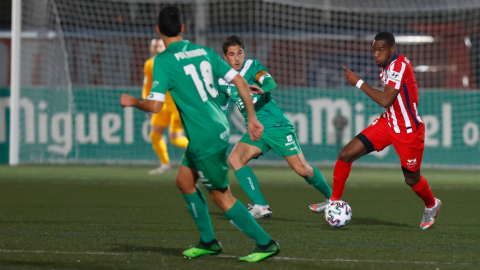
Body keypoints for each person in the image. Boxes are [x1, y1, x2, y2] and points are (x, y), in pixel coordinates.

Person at [120, 7, 279, 262]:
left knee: (221, 196)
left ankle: (266, 243)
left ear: (158, 30)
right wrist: (251, 118)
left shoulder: (163, 61)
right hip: (214, 128)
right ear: (183, 28)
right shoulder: (203, 51)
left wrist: (132, 101)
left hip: (205, 136)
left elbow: (155, 106)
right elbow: (239, 81)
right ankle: (208, 241)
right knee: (184, 181)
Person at [318, 32, 441, 230]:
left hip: (408, 131)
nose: (376, 54)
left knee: (411, 179)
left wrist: (358, 82)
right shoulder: (386, 65)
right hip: (388, 124)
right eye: (374, 50)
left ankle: (431, 204)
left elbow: (385, 100)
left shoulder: (399, 65)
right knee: (346, 154)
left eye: (381, 50)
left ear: (392, 49)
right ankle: (334, 202)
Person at [217, 35, 332, 219]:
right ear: (225, 57)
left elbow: (271, 82)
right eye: (232, 54)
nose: (237, 58)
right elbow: (220, 108)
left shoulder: (252, 66)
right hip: (256, 131)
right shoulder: (222, 81)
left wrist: (263, 89)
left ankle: (333, 199)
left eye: (240, 53)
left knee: (302, 169)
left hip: (276, 126)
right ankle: (261, 206)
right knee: (235, 159)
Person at [142, 39, 189, 175]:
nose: (157, 48)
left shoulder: (176, 62)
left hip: (175, 105)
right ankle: (165, 165)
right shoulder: (149, 64)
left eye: (160, 45)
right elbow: (147, 86)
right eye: (155, 46)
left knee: (175, 139)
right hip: (159, 106)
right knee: (154, 135)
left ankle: (201, 153)